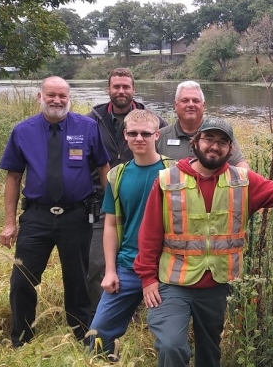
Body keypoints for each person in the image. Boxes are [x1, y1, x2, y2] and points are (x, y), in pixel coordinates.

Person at [134, 118, 273, 367]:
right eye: (209, 139)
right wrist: (147, 279)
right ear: (195, 142)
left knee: (209, 351)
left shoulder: (243, 181)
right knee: (171, 345)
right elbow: (149, 234)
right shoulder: (167, 180)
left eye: (222, 142)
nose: (215, 146)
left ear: (230, 149)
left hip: (216, 285)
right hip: (173, 283)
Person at [0, 76, 110, 348]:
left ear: (69, 97)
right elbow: (13, 177)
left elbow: (103, 168)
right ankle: (21, 339)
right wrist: (9, 222)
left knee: (78, 280)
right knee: (22, 280)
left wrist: (111, 209)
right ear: (40, 97)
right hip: (37, 216)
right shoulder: (23, 131)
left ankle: (83, 335)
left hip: (77, 215)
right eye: (51, 95)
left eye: (62, 95)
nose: (57, 100)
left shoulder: (88, 127)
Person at [88, 109, 174, 362]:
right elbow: (111, 224)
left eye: (146, 133)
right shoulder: (117, 175)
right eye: (133, 133)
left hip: (166, 267)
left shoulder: (174, 171)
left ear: (157, 135)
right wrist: (111, 270)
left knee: (169, 341)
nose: (139, 138)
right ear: (125, 135)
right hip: (128, 266)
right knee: (97, 335)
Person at [85, 67, 167, 320]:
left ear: (133, 89)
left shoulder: (154, 120)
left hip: (146, 200)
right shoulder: (92, 120)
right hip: (103, 201)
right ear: (108, 89)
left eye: (126, 87)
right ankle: (104, 313)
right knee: (98, 263)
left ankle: (145, 309)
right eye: (116, 86)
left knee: (147, 257)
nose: (121, 91)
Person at [155, 80, 249, 168]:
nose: (191, 104)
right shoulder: (159, 137)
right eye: (185, 100)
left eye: (196, 101)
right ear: (175, 105)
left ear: (203, 105)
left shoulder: (221, 134)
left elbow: (240, 166)